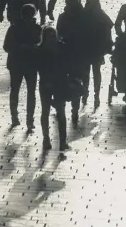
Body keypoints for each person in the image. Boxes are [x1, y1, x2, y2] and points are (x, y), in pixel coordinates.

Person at [3, 4, 41, 131]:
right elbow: (40, 46)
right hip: (32, 64)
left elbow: (6, 47)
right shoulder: (37, 29)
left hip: (16, 63)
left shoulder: (13, 28)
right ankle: (30, 120)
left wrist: (18, 47)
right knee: (31, 92)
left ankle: (14, 117)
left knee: (15, 90)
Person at [36, 26, 70, 160]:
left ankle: (62, 141)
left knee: (61, 112)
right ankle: (46, 138)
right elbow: (39, 67)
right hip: (46, 84)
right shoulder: (40, 50)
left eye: (53, 37)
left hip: (59, 84)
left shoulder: (61, 48)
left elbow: (67, 64)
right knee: (45, 110)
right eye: (49, 37)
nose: (51, 40)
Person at [57, 0, 89, 127]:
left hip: (66, 54)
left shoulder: (63, 17)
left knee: (63, 80)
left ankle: (61, 106)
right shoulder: (84, 16)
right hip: (80, 54)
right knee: (77, 80)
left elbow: (59, 33)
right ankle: (75, 109)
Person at [83, 0, 114, 107]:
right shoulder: (101, 15)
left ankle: (86, 93)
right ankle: (96, 94)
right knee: (96, 72)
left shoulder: (84, 14)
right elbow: (109, 26)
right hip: (97, 49)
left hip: (87, 48)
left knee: (86, 72)